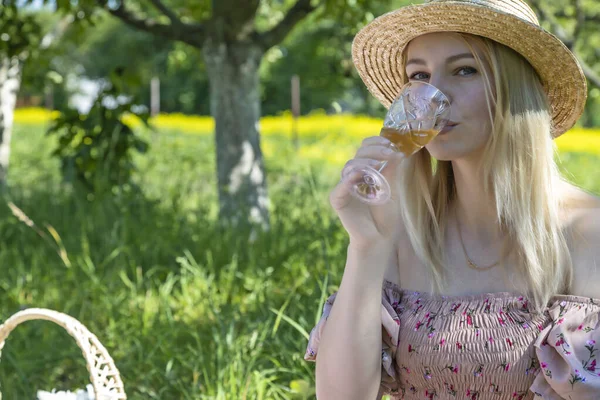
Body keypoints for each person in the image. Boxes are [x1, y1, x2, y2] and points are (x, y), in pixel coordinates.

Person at [303, 0, 600, 399]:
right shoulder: (402, 233)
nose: (435, 94)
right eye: (419, 75)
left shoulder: (587, 231)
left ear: (516, 89)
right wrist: (367, 246)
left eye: (465, 69)